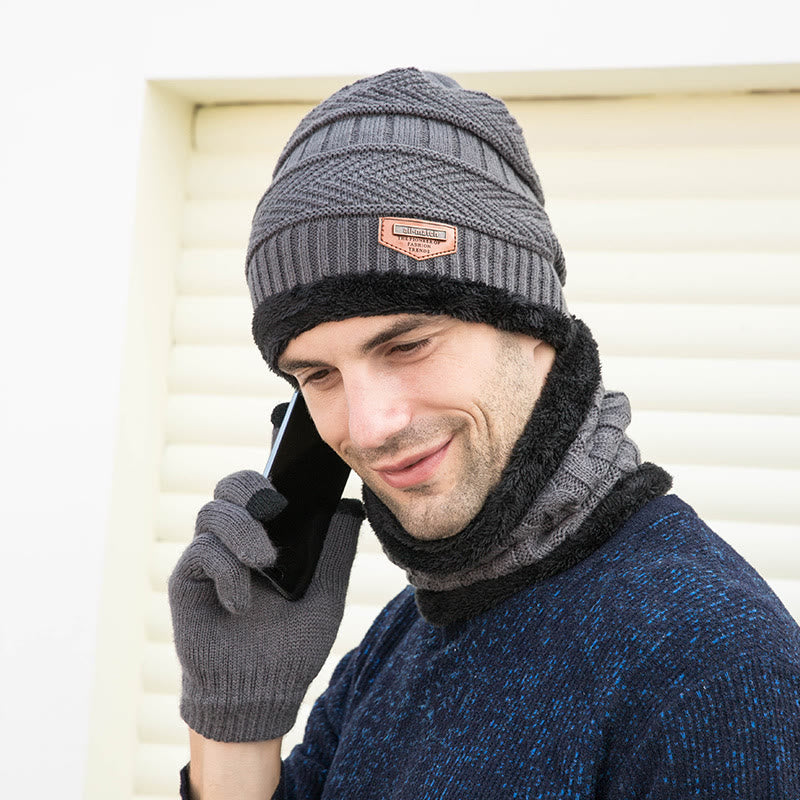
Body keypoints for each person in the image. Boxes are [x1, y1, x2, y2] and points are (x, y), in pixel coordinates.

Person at [168, 68, 800, 799]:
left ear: (533, 330)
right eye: (317, 375)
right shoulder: (404, 637)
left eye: (405, 346)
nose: (371, 428)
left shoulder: (713, 669)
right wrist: (236, 717)